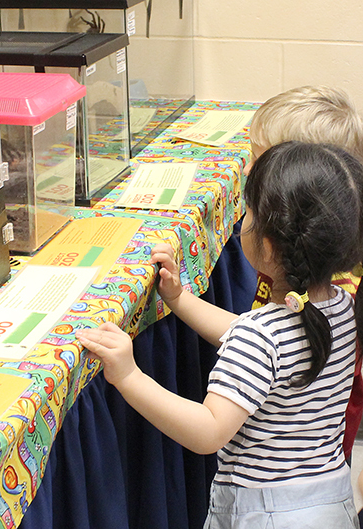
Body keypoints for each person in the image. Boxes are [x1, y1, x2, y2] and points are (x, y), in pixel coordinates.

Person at [76, 142, 363, 526]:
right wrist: (179, 299)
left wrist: (129, 376)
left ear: (266, 242)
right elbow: (252, 340)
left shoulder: (261, 337)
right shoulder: (343, 307)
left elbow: (209, 430)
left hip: (264, 514)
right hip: (330, 503)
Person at [246, 85, 363, 462]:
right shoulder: (299, 254)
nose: (247, 170)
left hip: (312, 438)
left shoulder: (330, 278)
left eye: (260, 161)